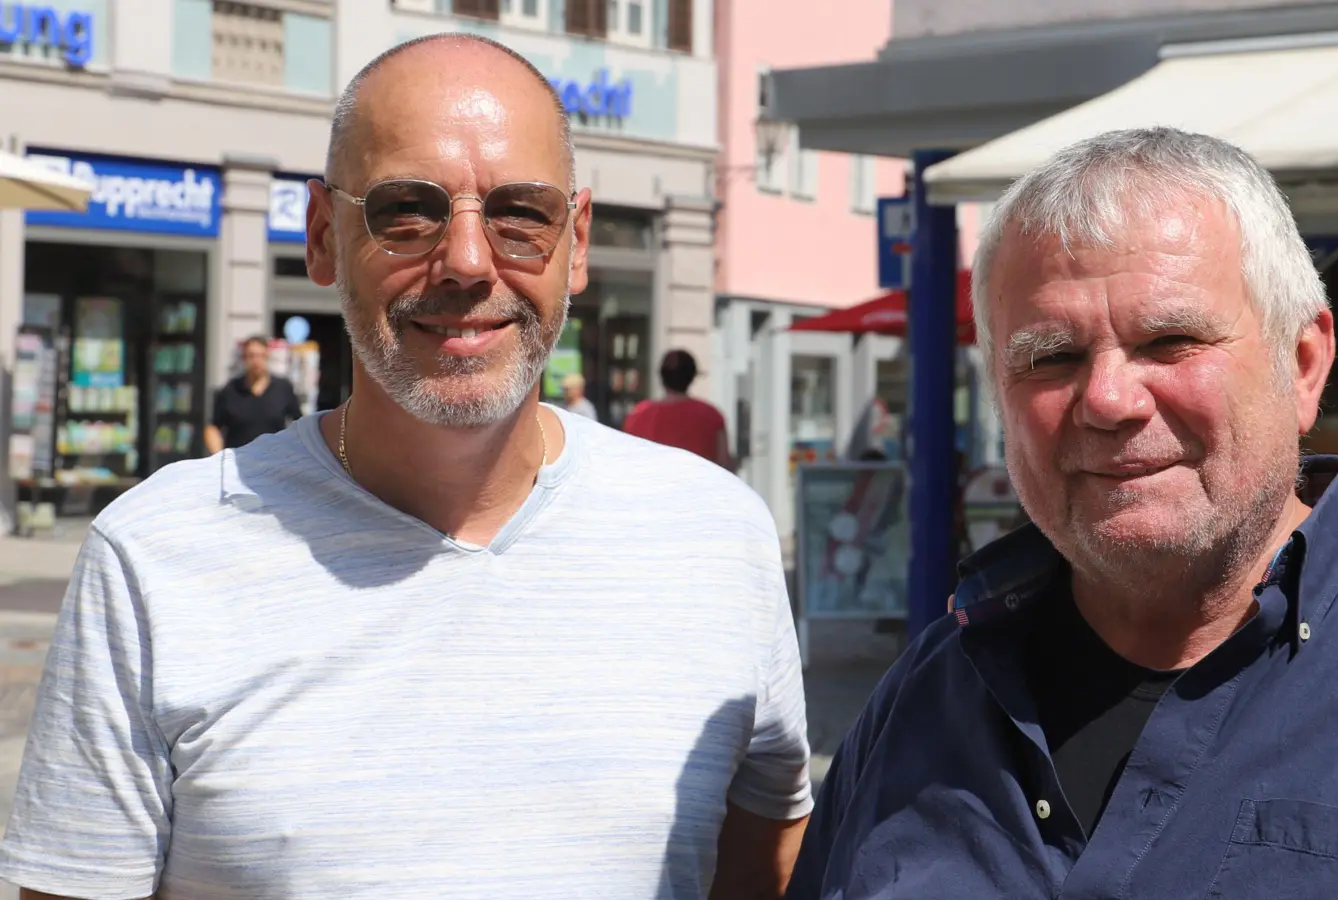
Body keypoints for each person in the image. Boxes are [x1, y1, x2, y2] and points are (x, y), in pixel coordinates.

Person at [0, 33, 810, 900]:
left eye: (519, 213)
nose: (466, 260)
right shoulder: (153, 557)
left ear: (576, 241)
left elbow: (767, 864)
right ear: (322, 237)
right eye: (406, 211)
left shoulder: (717, 537)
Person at [787, 127, 1338, 898]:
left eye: (1169, 342)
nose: (1107, 399)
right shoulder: (925, 699)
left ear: (1305, 365)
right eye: (1052, 356)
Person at [624, 349, 736, 471]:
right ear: (692, 377)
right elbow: (724, 466)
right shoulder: (712, 415)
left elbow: (628, 462)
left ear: (662, 377)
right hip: (697, 487)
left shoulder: (638, 414)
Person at [203, 335, 302, 453]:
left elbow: (299, 424)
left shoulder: (283, 388)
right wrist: (219, 457)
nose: (256, 361)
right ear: (244, 358)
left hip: (275, 460)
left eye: (261, 356)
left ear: (267, 356)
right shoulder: (230, 390)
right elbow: (213, 428)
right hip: (238, 461)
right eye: (251, 356)